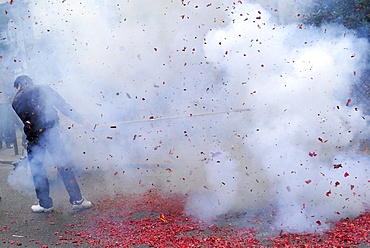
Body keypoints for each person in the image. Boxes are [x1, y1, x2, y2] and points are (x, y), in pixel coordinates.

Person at [12, 75, 92, 213]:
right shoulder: (44, 88)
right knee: (63, 165)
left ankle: (45, 204)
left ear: (18, 85)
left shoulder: (15, 101)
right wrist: (82, 120)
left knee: (38, 169)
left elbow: (28, 120)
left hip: (34, 137)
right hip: (52, 132)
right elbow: (64, 106)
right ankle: (77, 200)